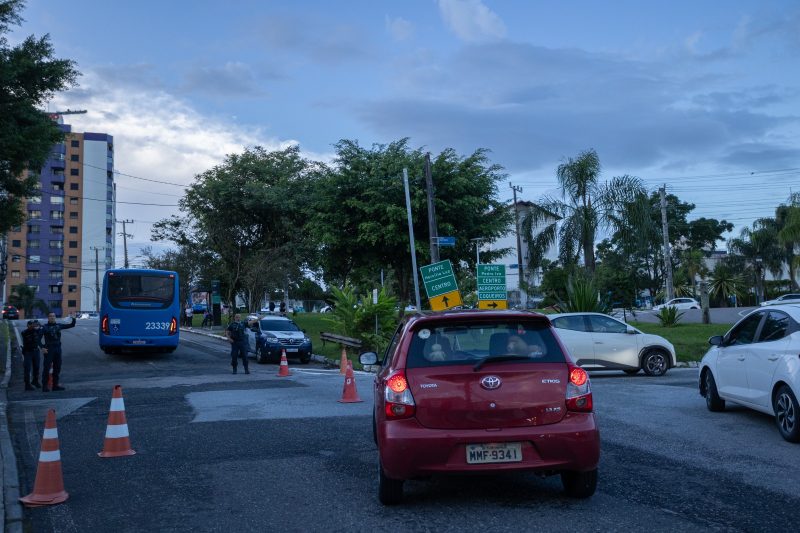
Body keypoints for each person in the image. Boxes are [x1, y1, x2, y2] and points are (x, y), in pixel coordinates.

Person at [40, 312, 77, 392]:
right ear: (48, 318)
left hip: (57, 349)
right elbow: (37, 339)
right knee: (46, 368)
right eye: (50, 316)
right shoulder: (44, 327)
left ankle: (55, 385)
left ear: (55, 317)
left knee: (57, 367)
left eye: (53, 316)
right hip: (49, 349)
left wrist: (74, 318)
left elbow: (71, 325)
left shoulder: (59, 325)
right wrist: (42, 347)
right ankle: (44, 386)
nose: (52, 317)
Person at [21, 320, 43, 391]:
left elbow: (41, 328)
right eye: (29, 325)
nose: (31, 326)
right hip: (28, 352)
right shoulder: (24, 332)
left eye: (32, 325)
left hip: (36, 351)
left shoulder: (36, 331)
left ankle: (35, 381)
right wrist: (34, 328)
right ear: (27, 326)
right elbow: (28, 333)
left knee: (36, 367)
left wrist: (38, 324)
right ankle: (27, 385)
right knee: (27, 369)